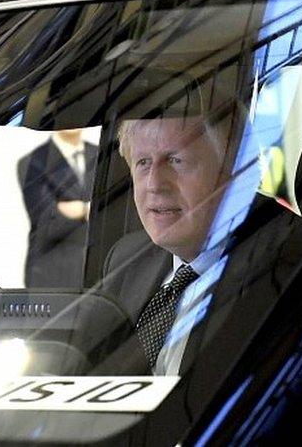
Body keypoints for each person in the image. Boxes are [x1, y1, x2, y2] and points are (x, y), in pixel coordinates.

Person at [99, 111, 243, 376]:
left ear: (232, 169)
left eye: (176, 160)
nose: (154, 184)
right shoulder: (126, 260)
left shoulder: (280, 261)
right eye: (143, 162)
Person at [17, 129, 97, 288]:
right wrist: (90, 208)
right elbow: (47, 218)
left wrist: (76, 209)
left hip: (95, 270)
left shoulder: (99, 152)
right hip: (51, 273)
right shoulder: (32, 162)